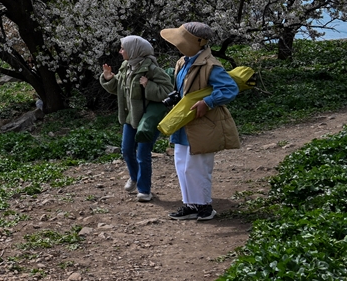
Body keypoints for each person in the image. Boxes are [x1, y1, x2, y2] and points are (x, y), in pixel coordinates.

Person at [159, 22, 241, 221]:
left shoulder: (210, 65)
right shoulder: (183, 62)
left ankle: (204, 206)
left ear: (199, 42)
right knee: (182, 165)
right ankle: (190, 205)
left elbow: (230, 89)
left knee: (198, 167)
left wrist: (209, 102)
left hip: (202, 125)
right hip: (185, 123)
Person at [100, 35, 174, 202]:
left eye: (123, 48)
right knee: (127, 150)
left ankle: (144, 190)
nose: (120, 51)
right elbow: (119, 87)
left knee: (143, 154)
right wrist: (108, 78)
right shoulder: (126, 66)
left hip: (147, 120)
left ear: (134, 50)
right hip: (130, 118)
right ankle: (134, 177)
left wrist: (148, 85)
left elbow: (168, 89)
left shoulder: (151, 69)